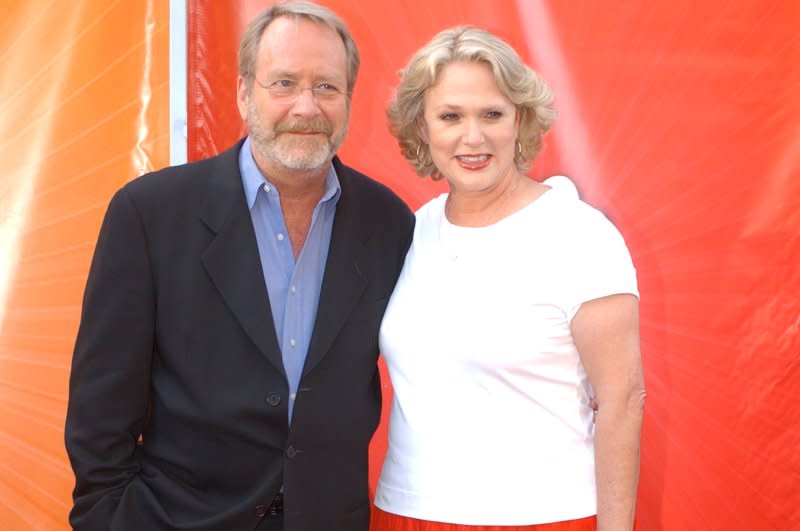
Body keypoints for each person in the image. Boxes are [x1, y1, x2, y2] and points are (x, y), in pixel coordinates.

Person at [64, 2, 414, 530]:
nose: (306, 106)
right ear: (244, 93)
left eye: (326, 86)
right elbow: (100, 414)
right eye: (284, 83)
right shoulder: (149, 214)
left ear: (348, 99)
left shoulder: (388, 222)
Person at [372, 26, 645, 531]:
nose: (472, 137)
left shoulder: (579, 235)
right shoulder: (411, 231)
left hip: (542, 517)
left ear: (520, 119)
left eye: (491, 114)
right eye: (450, 116)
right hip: (407, 512)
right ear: (422, 126)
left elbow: (622, 400)